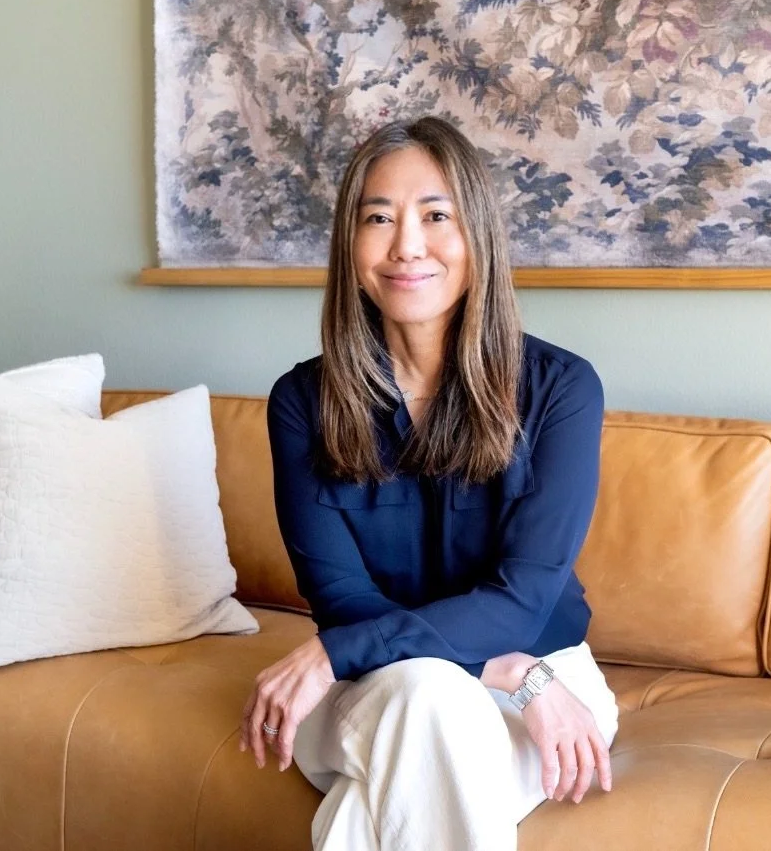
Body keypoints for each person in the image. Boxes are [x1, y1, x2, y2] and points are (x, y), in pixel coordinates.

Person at [239, 116, 618, 851]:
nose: (407, 244)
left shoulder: (562, 389)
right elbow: (340, 596)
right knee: (427, 696)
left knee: (384, 791)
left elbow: (524, 596)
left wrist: (517, 669)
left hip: (548, 677)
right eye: (378, 218)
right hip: (370, 683)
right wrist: (502, 667)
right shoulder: (301, 403)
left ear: (477, 238)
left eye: (436, 216)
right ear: (349, 250)